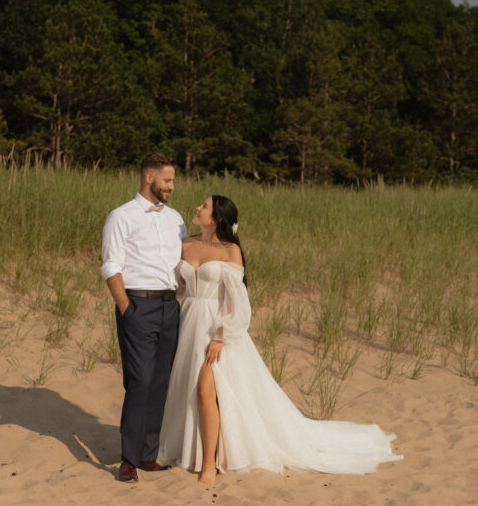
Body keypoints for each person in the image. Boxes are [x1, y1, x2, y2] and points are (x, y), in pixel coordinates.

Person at [158, 195, 402, 484]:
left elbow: (239, 302)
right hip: (189, 322)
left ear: (218, 218)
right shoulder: (185, 244)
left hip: (216, 328)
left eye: (205, 206)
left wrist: (222, 336)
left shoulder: (230, 250)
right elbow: (180, 285)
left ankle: (209, 463)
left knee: (204, 392)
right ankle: (195, 450)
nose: (198, 208)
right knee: (189, 391)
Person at [101, 152, 187, 483]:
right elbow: (111, 265)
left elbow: (181, 264)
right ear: (149, 178)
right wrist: (127, 309)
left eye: (173, 181)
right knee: (139, 380)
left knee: (160, 382)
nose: (172, 187)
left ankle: (149, 455)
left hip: (169, 308)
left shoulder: (176, 219)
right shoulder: (121, 217)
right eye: (167, 180)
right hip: (138, 305)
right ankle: (129, 459)